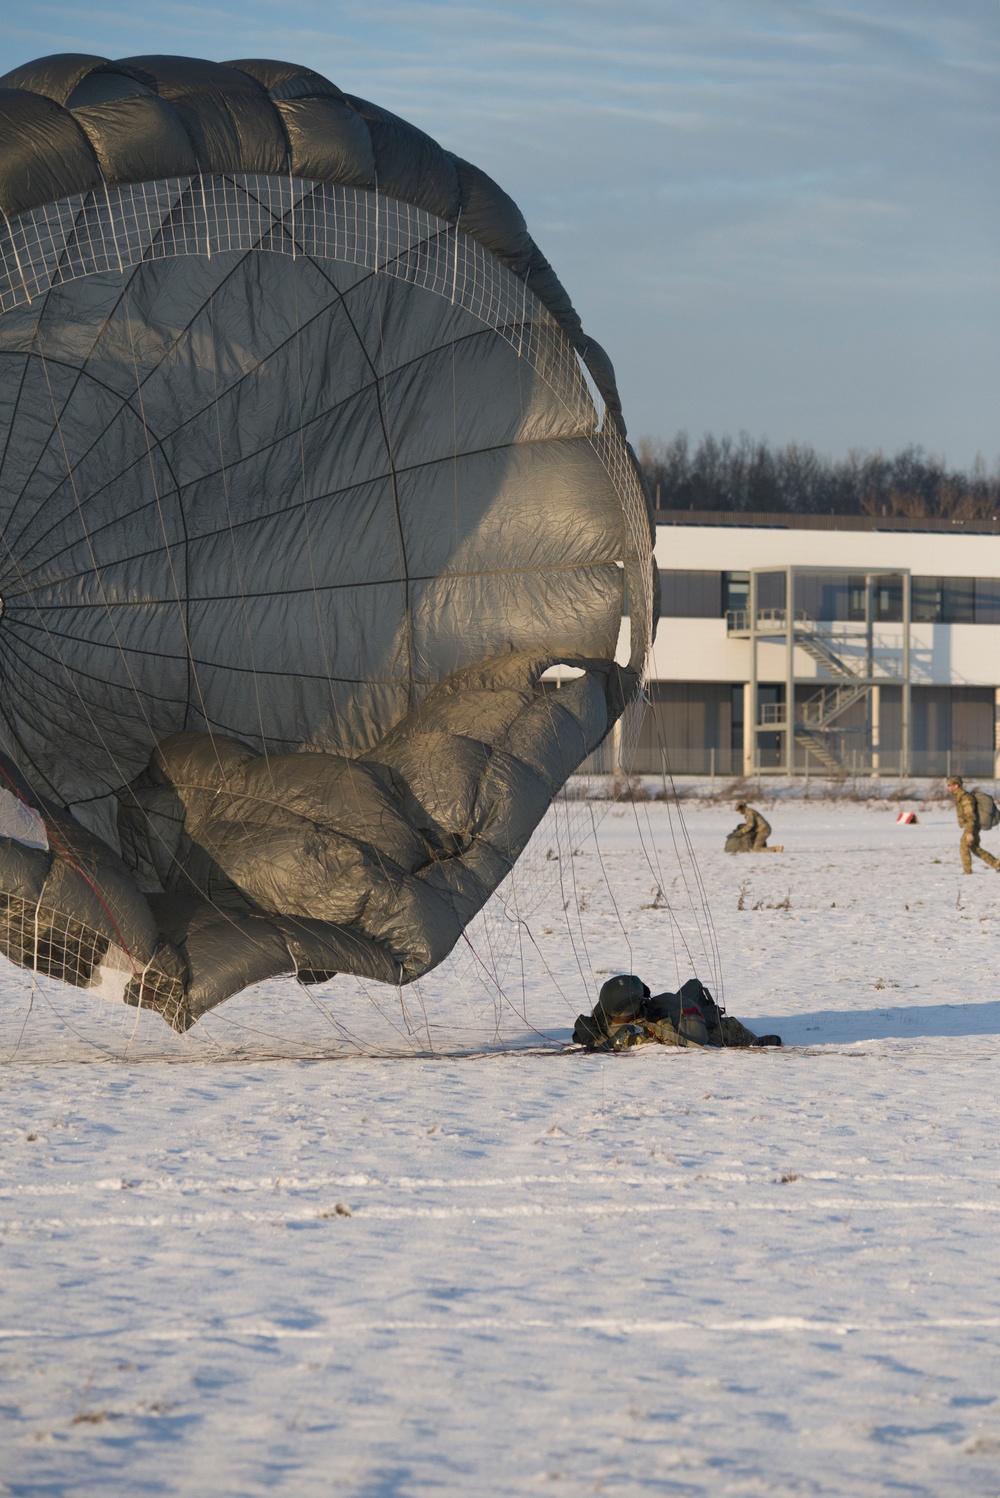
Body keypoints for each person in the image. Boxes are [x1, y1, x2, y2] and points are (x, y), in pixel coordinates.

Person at [572, 973, 782, 1051]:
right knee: (726, 1027)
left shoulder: (605, 1012)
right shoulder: (621, 1036)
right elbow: (681, 1039)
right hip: (686, 1029)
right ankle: (752, 1042)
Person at [946, 775, 1000, 875]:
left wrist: (969, 832)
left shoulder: (965, 798)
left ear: (956, 785)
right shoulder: (960, 797)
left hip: (972, 825)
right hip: (971, 825)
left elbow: (971, 815)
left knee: (964, 846)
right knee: (974, 847)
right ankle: (997, 864)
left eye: (949, 785)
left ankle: (967, 871)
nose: (948, 787)